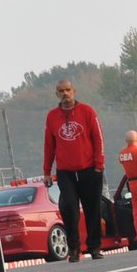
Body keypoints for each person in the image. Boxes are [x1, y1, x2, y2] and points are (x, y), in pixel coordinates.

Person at [42, 79, 106, 260]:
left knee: (92, 207)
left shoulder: (87, 111)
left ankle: (94, 247)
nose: (65, 93)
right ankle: (74, 247)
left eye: (68, 90)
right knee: (68, 206)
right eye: (61, 91)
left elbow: (98, 138)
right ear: (57, 94)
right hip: (65, 171)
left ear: (74, 91)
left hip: (90, 169)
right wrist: (47, 171)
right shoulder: (52, 116)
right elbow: (49, 145)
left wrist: (99, 164)